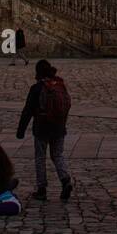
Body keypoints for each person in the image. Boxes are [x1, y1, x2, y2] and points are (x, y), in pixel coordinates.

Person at [16, 60, 73, 202]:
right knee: (58, 155)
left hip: (42, 127)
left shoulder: (36, 88)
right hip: (59, 127)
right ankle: (65, 180)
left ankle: (41, 190)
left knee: (40, 158)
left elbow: (27, 111)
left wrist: (21, 130)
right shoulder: (60, 85)